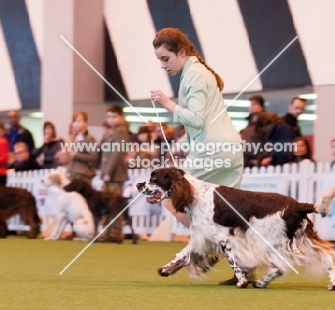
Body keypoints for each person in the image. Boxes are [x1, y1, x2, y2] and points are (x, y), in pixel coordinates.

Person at [150, 28, 244, 285]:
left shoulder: (194, 76)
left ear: (181, 52)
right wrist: (179, 145)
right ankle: (239, 264)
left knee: (171, 198)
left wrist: (167, 103)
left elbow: (197, 119)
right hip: (227, 150)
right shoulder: (195, 73)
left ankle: (208, 249)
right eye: (159, 60)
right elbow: (199, 125)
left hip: (212, 152)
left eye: (165, 58)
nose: (162, 65)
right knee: (220, 214)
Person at [99, 105, 131, 243]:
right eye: (108, 117)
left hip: (115, 174)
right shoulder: (112, 131)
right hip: (110, 173)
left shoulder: (121, 131)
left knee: (114, 205)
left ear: (121, 117)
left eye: (114, 116)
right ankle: (106, 233)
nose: (111, 119)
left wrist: (108, 172)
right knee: (106, 204)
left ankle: (115, 234)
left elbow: (117, 153)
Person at [67, 111, 98, 183]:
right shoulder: (74, 138)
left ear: (85, 123)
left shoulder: (89, 138)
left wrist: (77, 155)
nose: (76, 124)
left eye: (79, 121)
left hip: (83, 175)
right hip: (72, 173)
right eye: (74, 121)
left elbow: (94, 157)